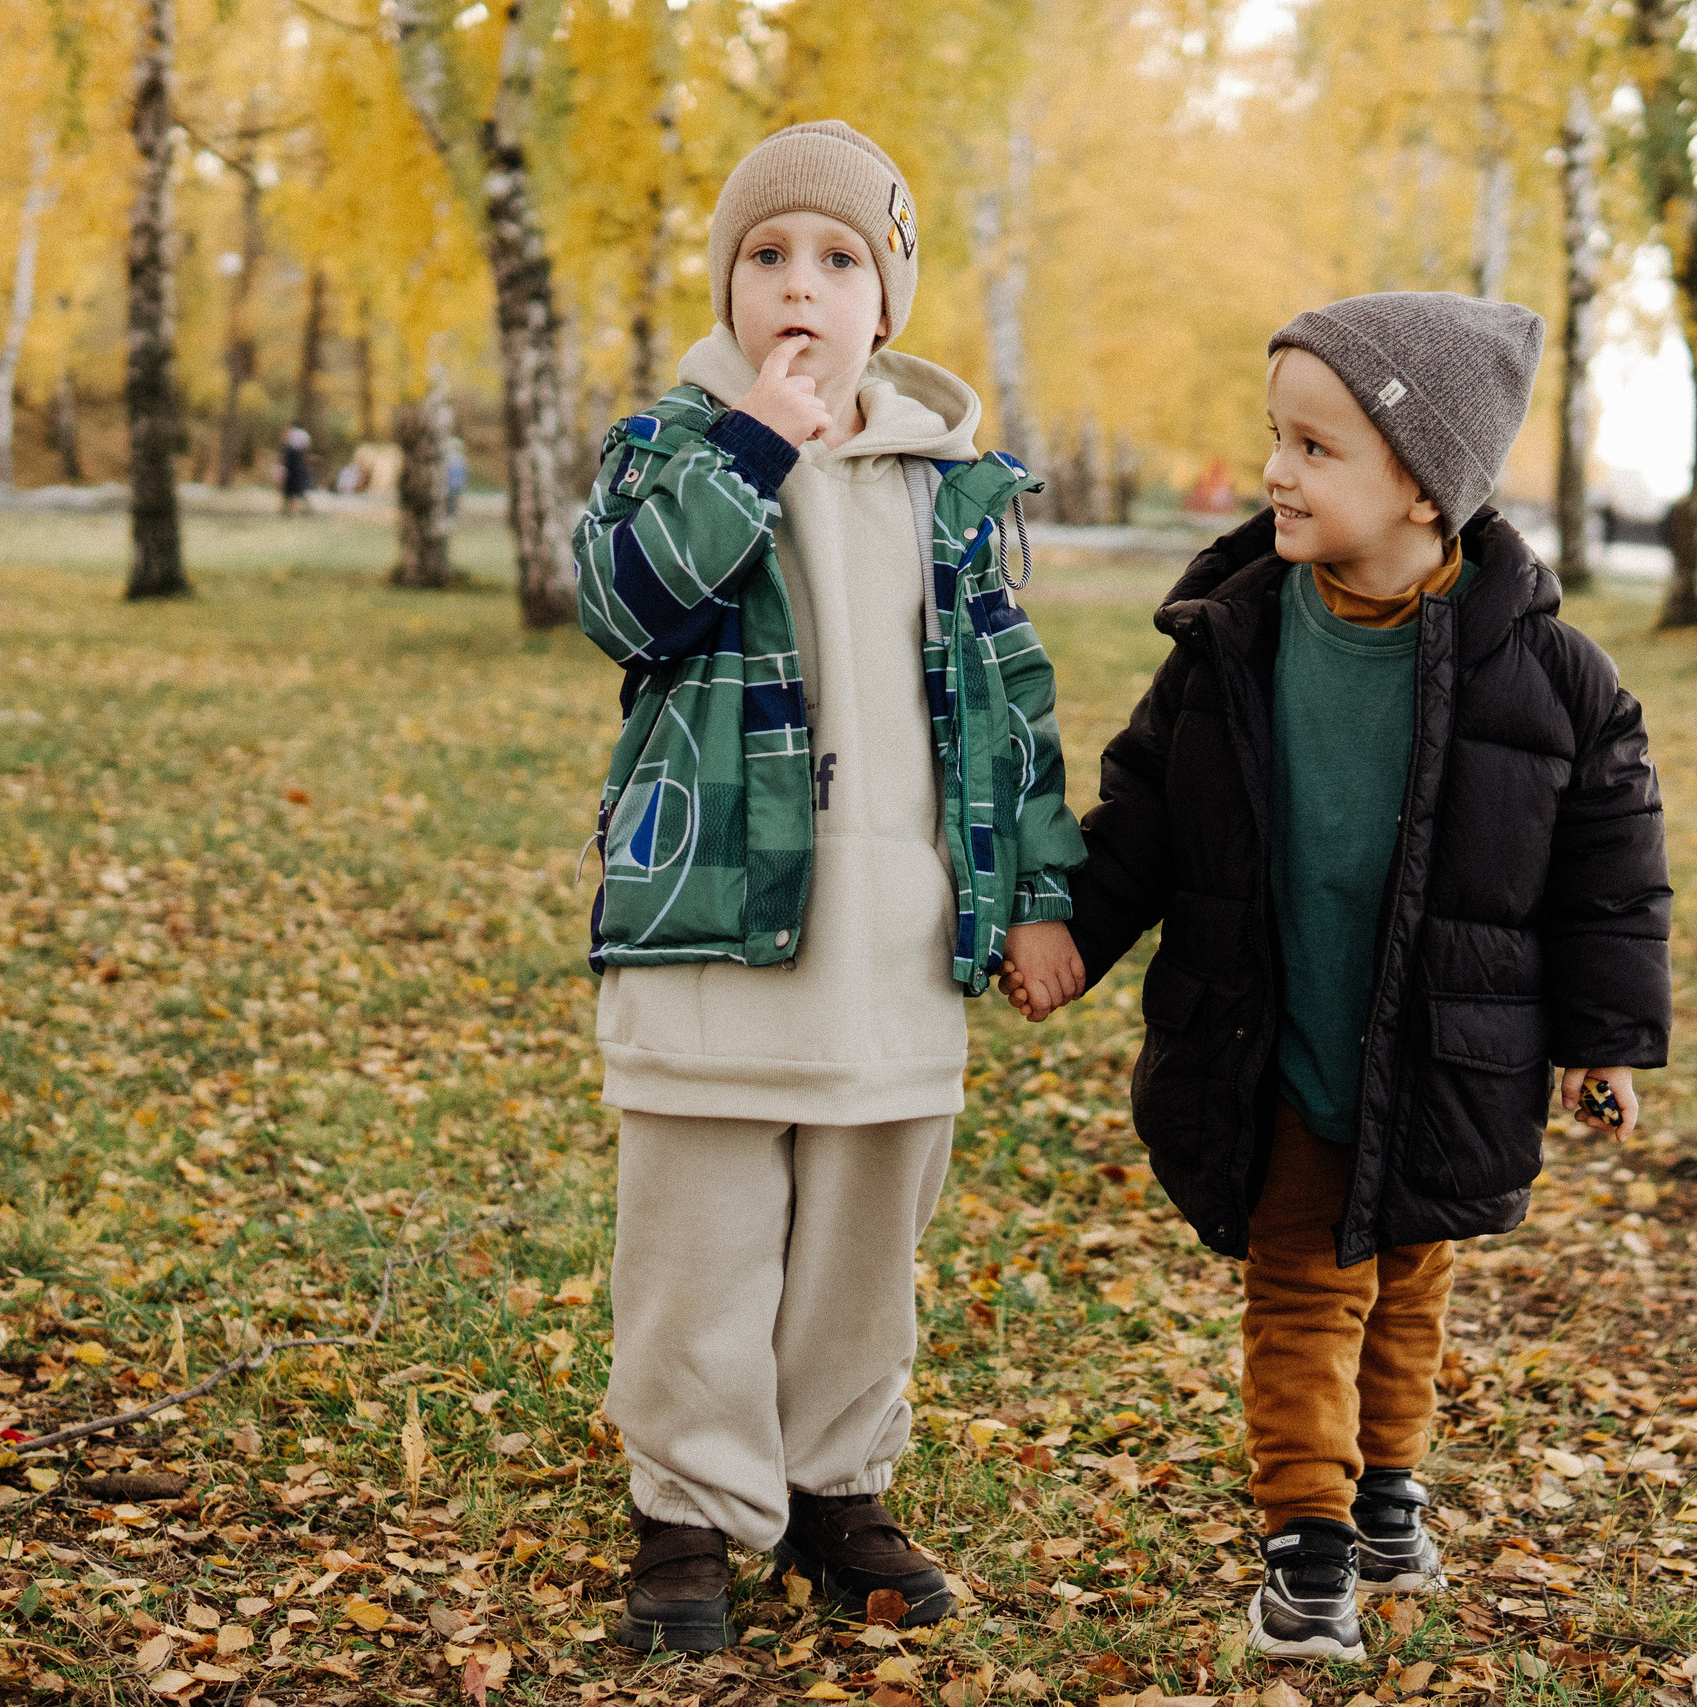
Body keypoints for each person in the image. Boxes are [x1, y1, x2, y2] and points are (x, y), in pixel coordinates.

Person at [1015, 293, 1672, 1661]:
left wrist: (1605, 1038)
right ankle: (1309, 1542)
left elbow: (1609, 875)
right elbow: (1146, 809)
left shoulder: (1554, 679)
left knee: (1409, 1273)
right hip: (1275, 1034)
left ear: (1426, 488)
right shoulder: (1235, 634)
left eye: (1316, 448)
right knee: (1305, 1284)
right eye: (1276, 437)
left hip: (1444, 1049)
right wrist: (1070, 929)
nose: (1275, 471)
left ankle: (1384, 1485)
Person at [567, 120, 1087, 1654]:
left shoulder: (951, 490)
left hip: (893, 930)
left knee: (867, 1228)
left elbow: (1011, 707)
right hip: (714, 918)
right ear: (727, 288)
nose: (801, 286)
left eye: (841, 259)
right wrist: (752, 451)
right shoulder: (674, 450)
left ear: (888, 301)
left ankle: (833, 1482)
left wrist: (1037, 893)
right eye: (767, 255)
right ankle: (688, 1504)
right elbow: (624, 604)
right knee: (701, 1231)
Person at [279, 425, 312, 516]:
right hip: (294, 470)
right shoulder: (294, 447)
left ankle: (293, 511)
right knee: (293, 491)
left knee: (293, 492)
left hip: (293, 471)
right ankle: (289, 511)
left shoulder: (292, 448)